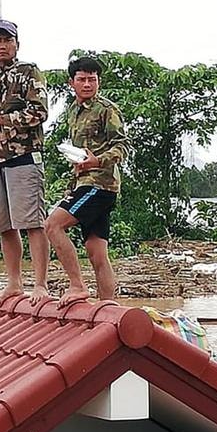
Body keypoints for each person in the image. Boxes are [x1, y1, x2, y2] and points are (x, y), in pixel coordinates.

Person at [0, 19, 50, 305]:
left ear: (17, 44)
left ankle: (40, 284)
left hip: (23, 157)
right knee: (4, 226)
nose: (1, 45)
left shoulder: (29, 73)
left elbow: (39, 113)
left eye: (7, 40)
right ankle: (14, 283)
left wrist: (1, 118)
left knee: (32, 223)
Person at [44, 57, 128, 307]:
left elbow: (122, 145)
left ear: (98, 81)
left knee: (52, 225)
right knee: (96, 252)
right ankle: (108, 308)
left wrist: (97, 161)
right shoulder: (72, 111)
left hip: (100, 184)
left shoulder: (107, 109)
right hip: (84, 183)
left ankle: (77, 286)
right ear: (72, 83)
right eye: (82, 79)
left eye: (92, 79)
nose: (88, 84)